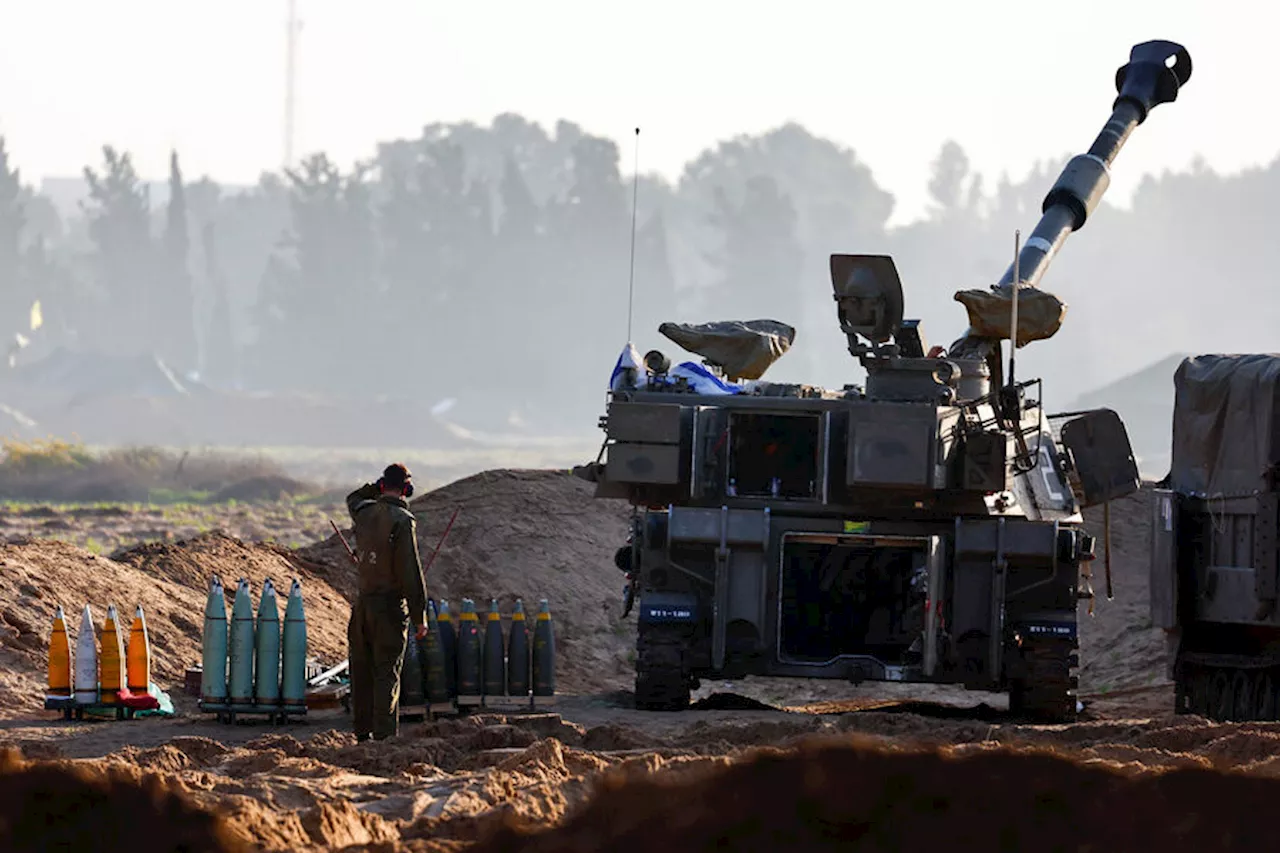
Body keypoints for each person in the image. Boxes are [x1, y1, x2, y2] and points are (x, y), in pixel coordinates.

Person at [345, 462, 428, 742]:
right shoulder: (403, 521)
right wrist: (420, 616)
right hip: (390, 610)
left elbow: (353, 498)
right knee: (386, 672)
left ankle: (361, 733)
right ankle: (383, 738)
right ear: (406, 489)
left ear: (382, 485)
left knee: (361, 670)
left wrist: (375, 487)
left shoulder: (364, 512)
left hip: (362, 608)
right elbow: (410, 572)